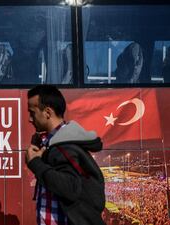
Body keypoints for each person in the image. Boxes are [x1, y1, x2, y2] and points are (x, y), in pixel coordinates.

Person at [26, 84, 106, 225]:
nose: (30, 119)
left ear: (48, 113)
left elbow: (70, 188)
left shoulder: (64, 146)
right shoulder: (53, 144)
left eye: (32, 113)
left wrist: (36, 164)